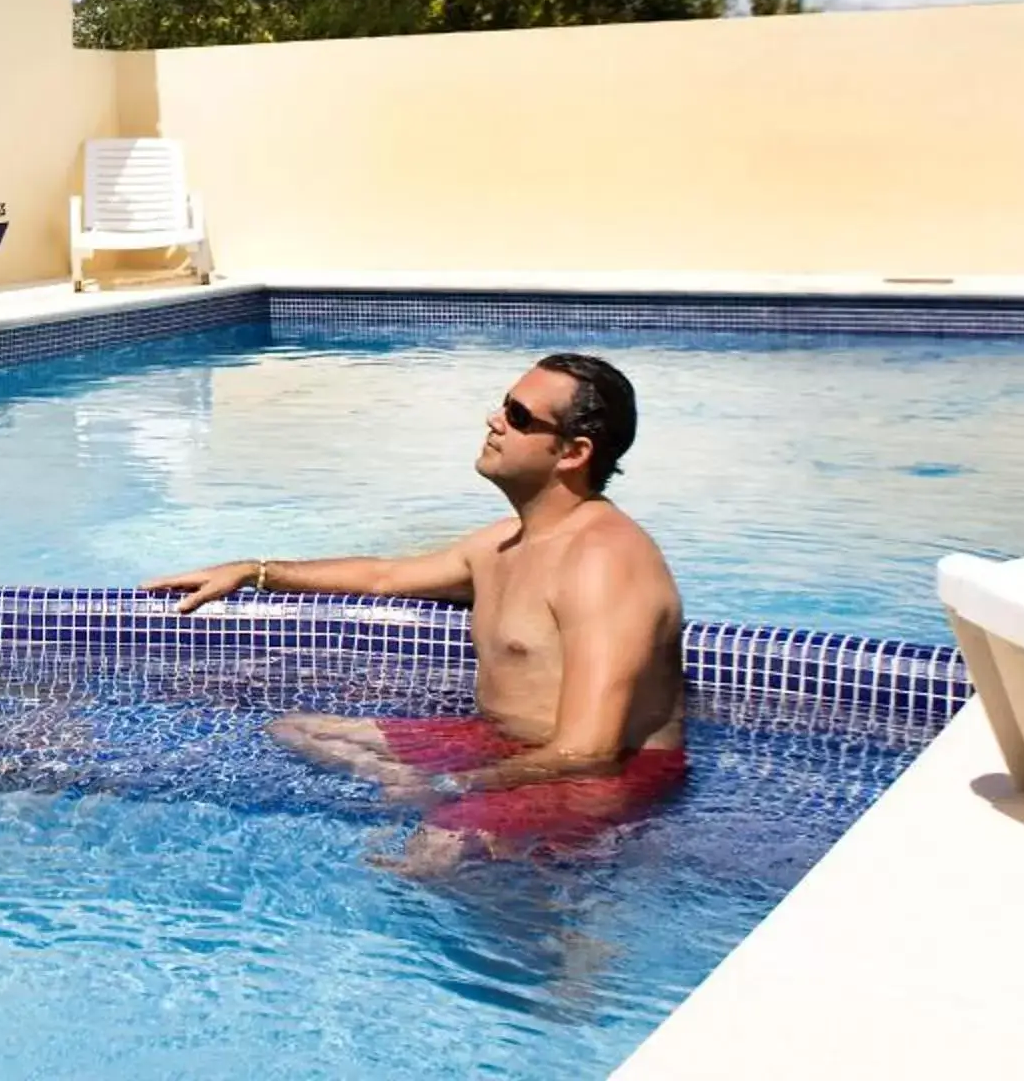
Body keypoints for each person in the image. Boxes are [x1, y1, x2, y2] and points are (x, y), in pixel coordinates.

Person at [145, 353, 686, 872]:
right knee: (298, 730)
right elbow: (384, 576)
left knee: (437, 850)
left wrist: (451, 786)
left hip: (603, 775)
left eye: (518, 417)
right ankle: (427, 799)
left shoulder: (604, 562)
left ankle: (548, 933)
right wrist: (253, 571)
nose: (494, 420)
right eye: (504, 404)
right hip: (503, 745)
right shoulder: (505, 544)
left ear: (573, 452)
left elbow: (589, 750)